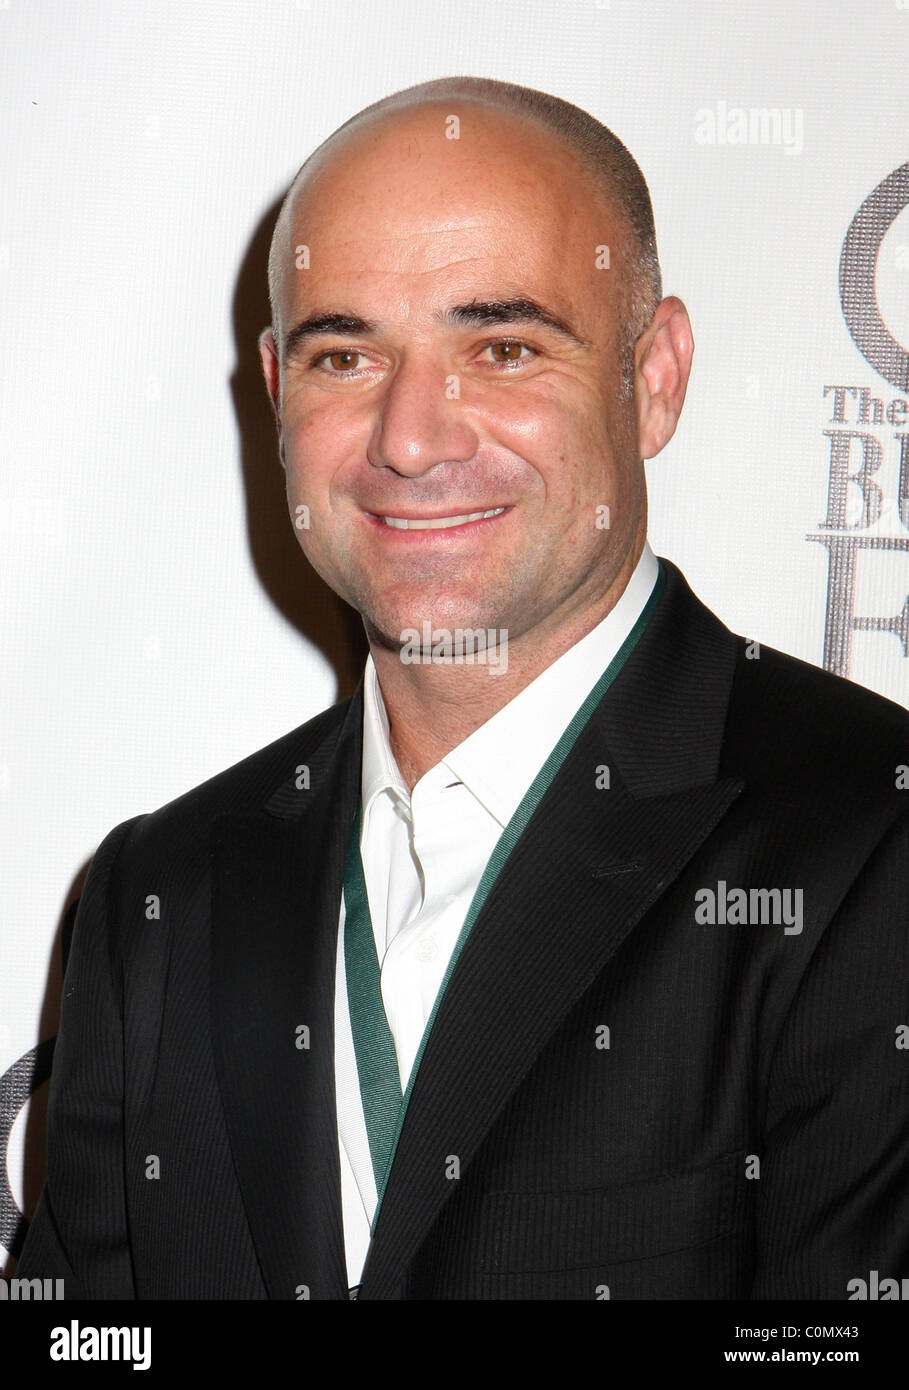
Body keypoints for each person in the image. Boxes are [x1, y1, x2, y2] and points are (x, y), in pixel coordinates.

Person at [18, 76, 909, 1300]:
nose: (411, 435)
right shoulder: (160, 894)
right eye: (346, 353)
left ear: (653, 378)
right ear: (278, 395)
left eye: (501, 346)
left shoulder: (872, 846)